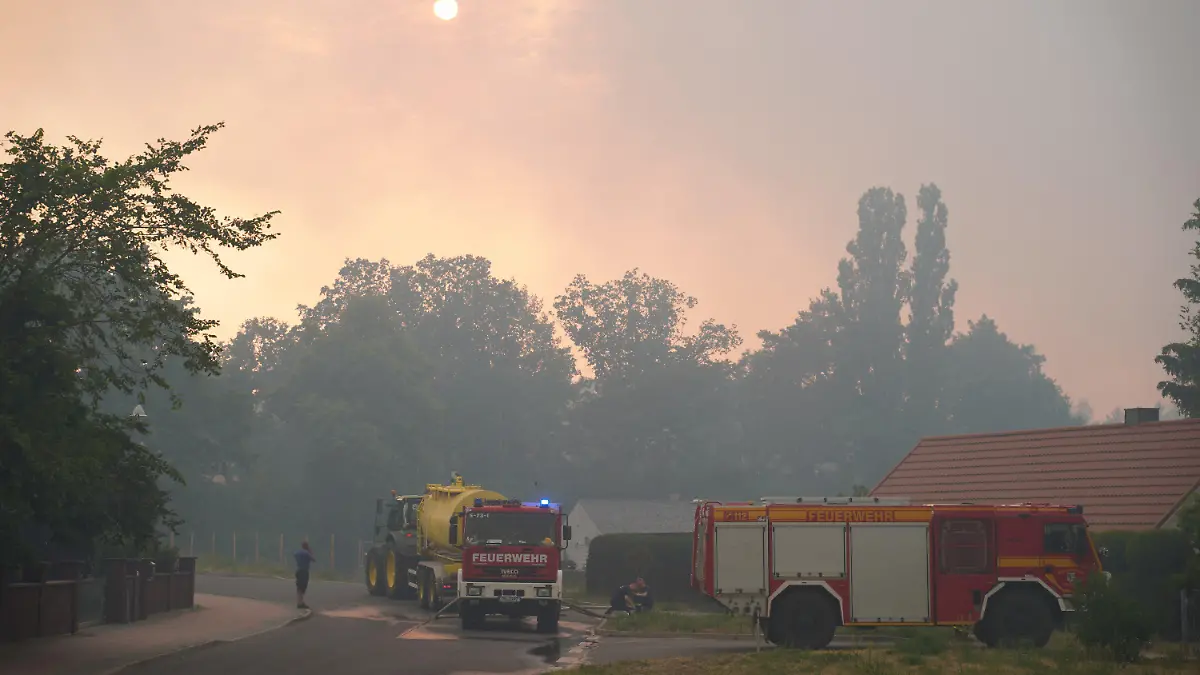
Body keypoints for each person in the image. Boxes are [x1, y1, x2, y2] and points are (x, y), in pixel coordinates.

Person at [294, 541, 316, 609]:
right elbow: (313, 559)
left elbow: (295, 556)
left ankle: (299, 602)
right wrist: (311, 552)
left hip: (298, 570)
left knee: (299, 587)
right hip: (304, 571)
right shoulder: (307, 553)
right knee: (303, 586)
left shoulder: (297, 552)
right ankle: (300, 602)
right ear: (307, 546)